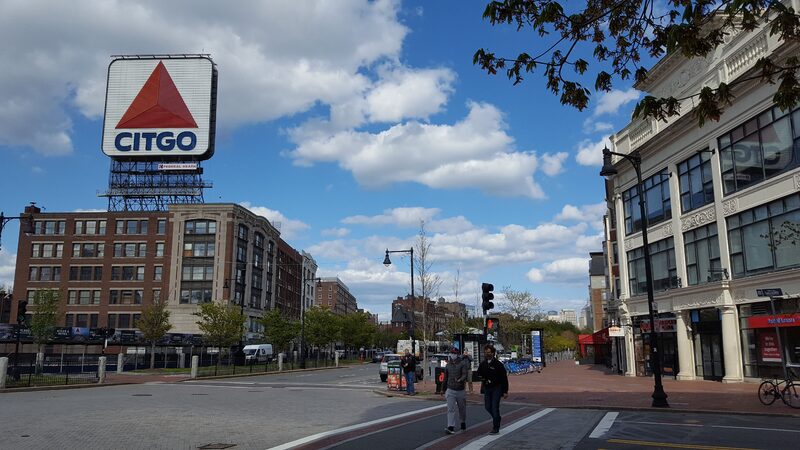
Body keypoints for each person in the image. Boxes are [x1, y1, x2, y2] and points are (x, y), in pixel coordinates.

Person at [477, 343, 508, 435]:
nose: (487, 354)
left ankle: (496, 427)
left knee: (495, 407)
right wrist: (482, 379)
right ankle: (497, 417)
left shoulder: (498, 364)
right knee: (487, 406)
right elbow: (479, 374)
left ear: (493, 353)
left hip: (497, 388)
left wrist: (505, 391)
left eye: (489, 352)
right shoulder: (483, 364)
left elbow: (504, 378)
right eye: (486, 352)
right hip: (487, 388)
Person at [443, 348, 468, 434]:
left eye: (453, 353)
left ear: (457, 354)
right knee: (450, 409)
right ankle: (451, 426)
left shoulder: (462, 364)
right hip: (450, 389)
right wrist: (443, 389)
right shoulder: (448, 365)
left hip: (460, 390)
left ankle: (462, 421)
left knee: (462, 408)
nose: (452, 355)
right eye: (451, 353)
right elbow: (445, 377)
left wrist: (460, 380)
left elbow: (465, 374)